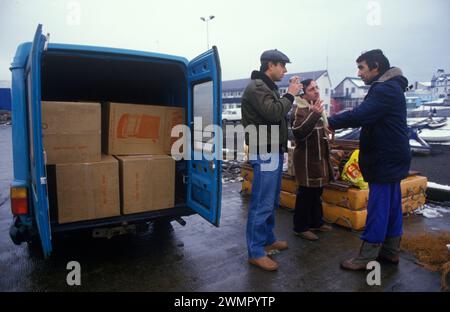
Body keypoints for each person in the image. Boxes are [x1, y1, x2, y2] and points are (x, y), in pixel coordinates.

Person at [327, 49, 411, 270]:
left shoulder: (384, 90)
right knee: (392, 206)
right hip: (395, 158)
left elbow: (360, 115)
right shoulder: (393, 88)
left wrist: (329, 122)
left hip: (384, 159)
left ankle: (366, 257)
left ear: (376, 67)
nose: (359, 73)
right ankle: (391, 251)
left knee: (378, 208)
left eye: (362, 68)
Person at [241, 49, 302, 271]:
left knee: (272, 199)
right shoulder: (257, 87)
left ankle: (267, 239)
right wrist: (291, 93)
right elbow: (274, 113)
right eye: (282, 66)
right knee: (262, 202)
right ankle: (255, 252)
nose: (285, 70)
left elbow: (277, 120)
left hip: (273, 151)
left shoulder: (266, 87)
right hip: (264, 151)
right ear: (270, 65)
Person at [291, 79, 334, 241]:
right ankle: (300, 227)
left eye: (317, 87)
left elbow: (319, 129)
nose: (316, 91)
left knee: (317, 193)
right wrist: (315, 114)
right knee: (305, 195)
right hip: (306, 162)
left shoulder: (317, 108)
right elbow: (298, 132)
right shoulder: (299, 110)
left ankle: (316, 222)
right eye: (311, 89)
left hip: (319, 159)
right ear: (303, 93)